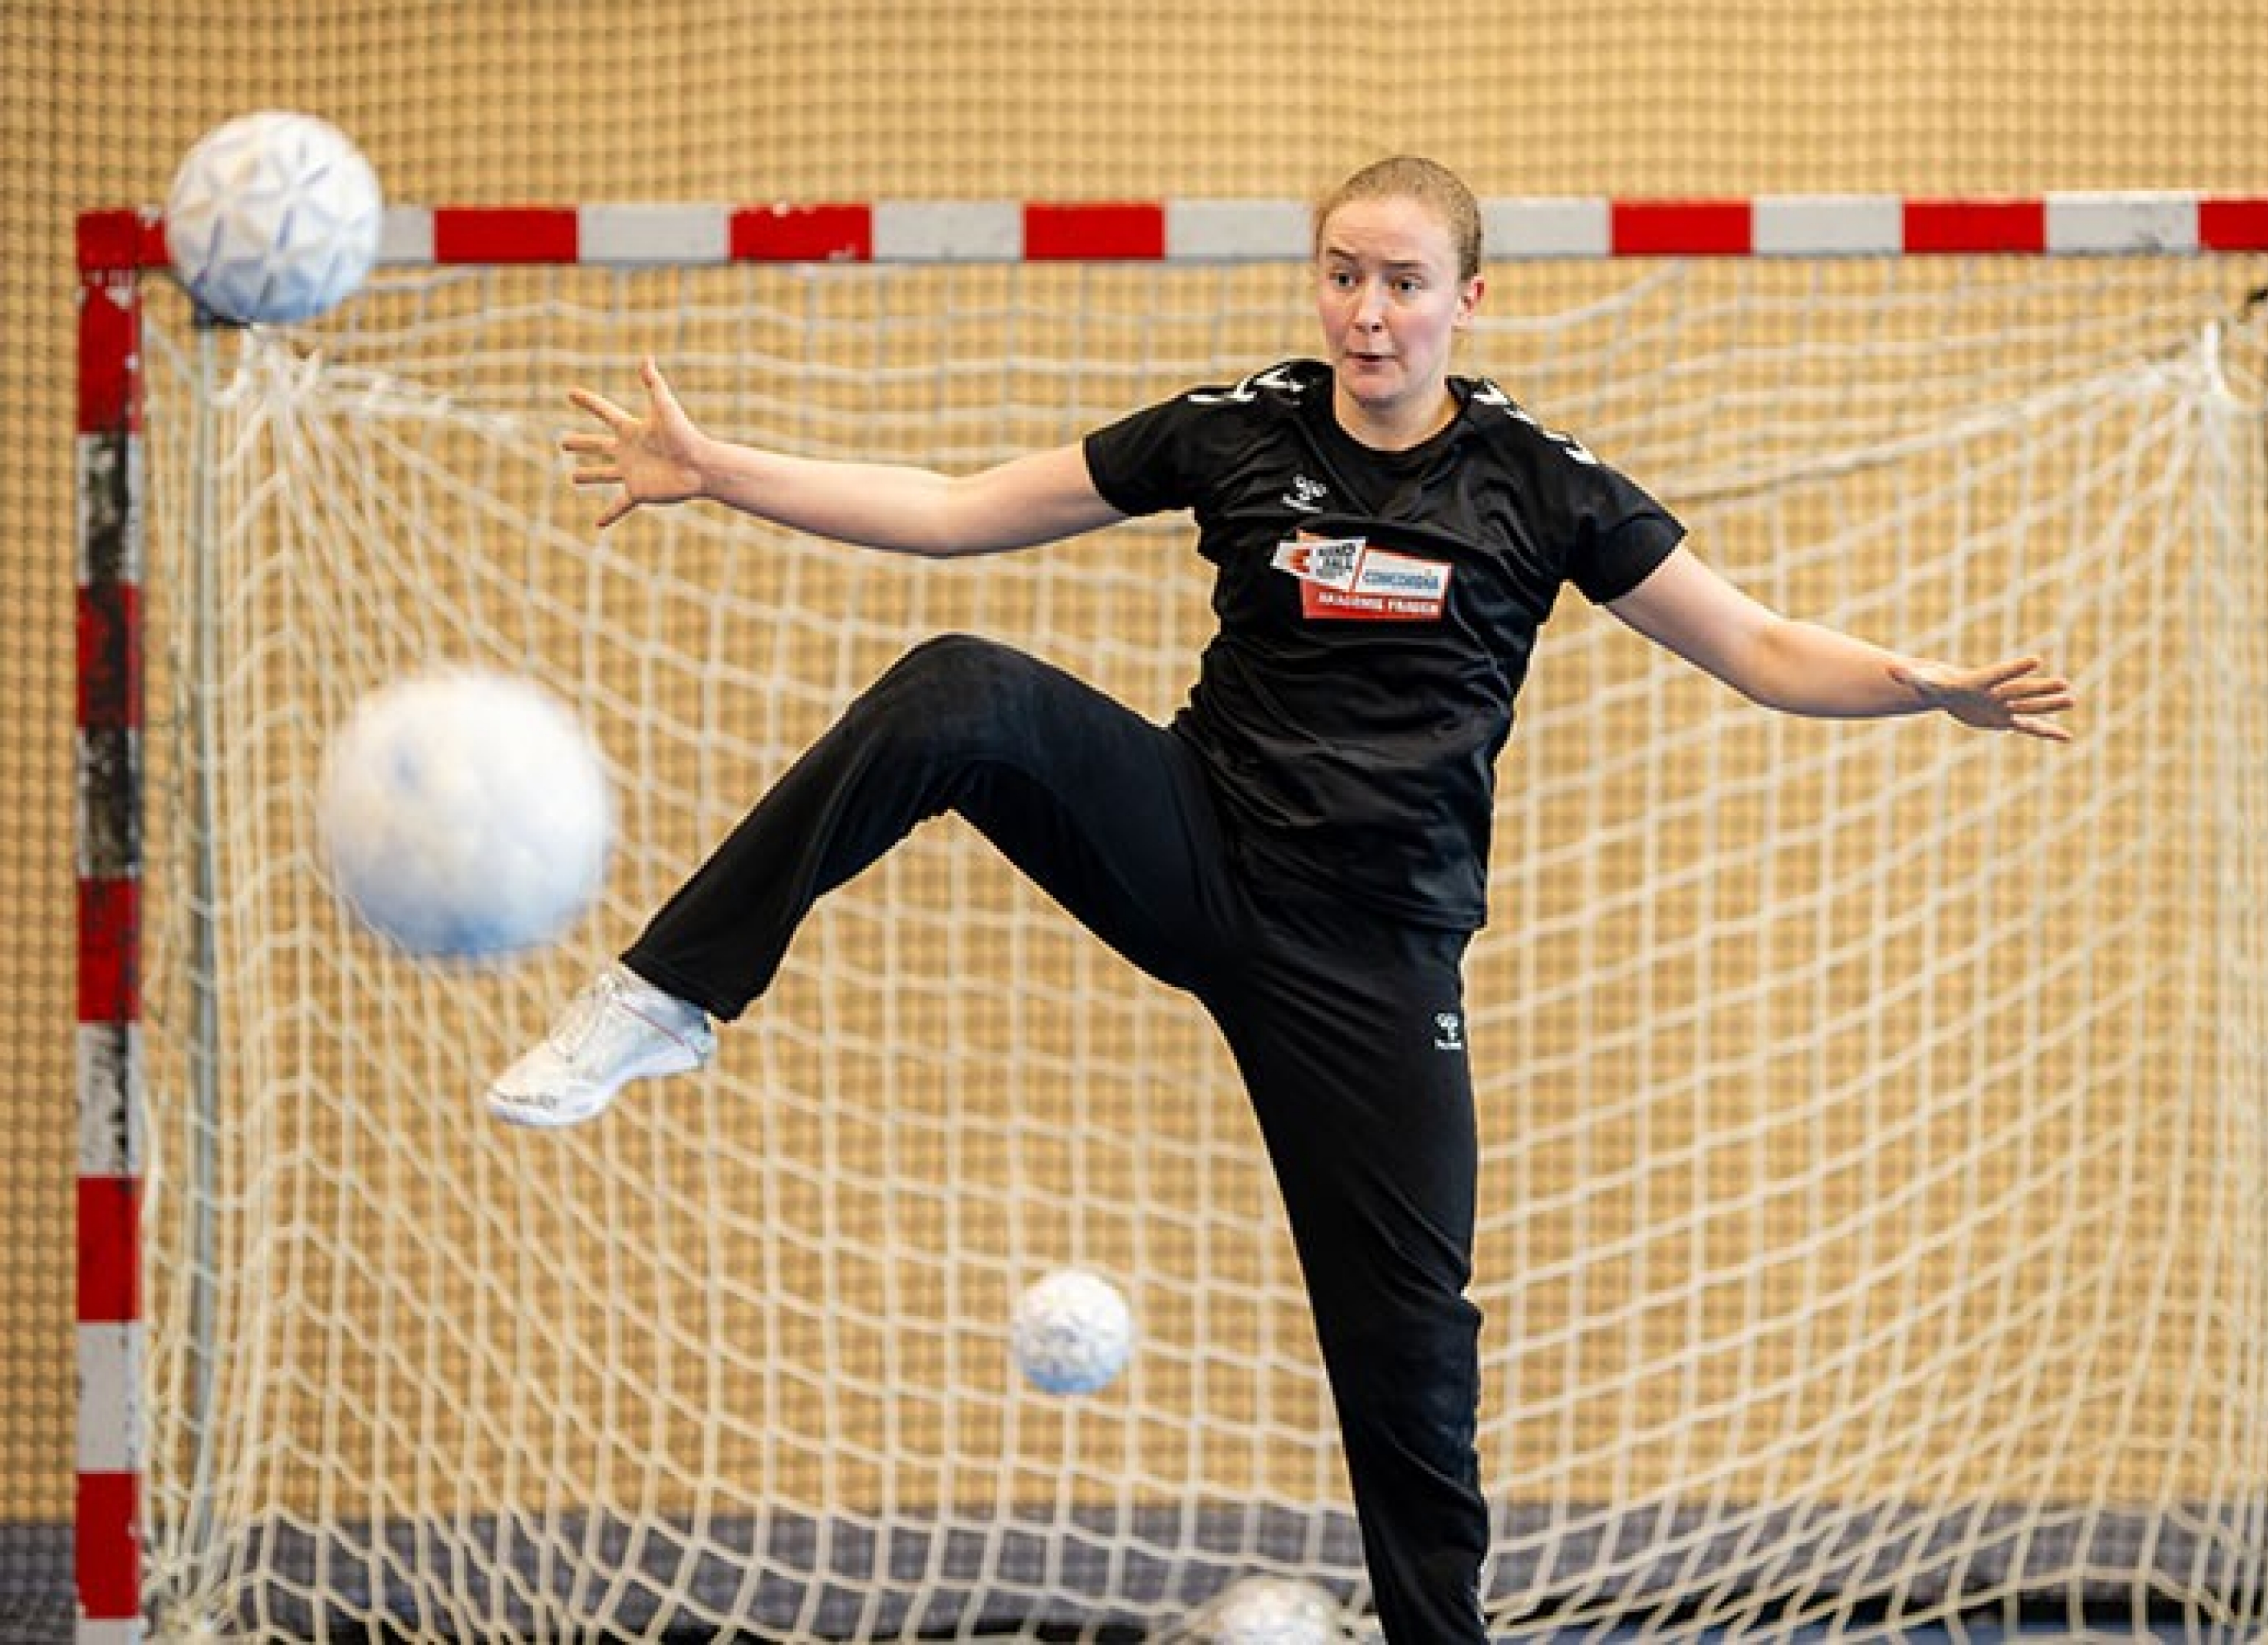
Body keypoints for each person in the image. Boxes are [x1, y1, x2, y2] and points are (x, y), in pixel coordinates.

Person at [488, 156, 2075, 1644]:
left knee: (1409, 1348)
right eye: (1341, 277)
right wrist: (720, 471)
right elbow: (964, 507)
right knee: (957, 693)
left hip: (1373, 958)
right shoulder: (1235, 431)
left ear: (1468, 302)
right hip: (1196, 840)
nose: (1367, 315)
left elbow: (1760, 643)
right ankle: (671, 999)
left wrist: (1915, 686)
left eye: (1401, 284)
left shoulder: (1541, 485)